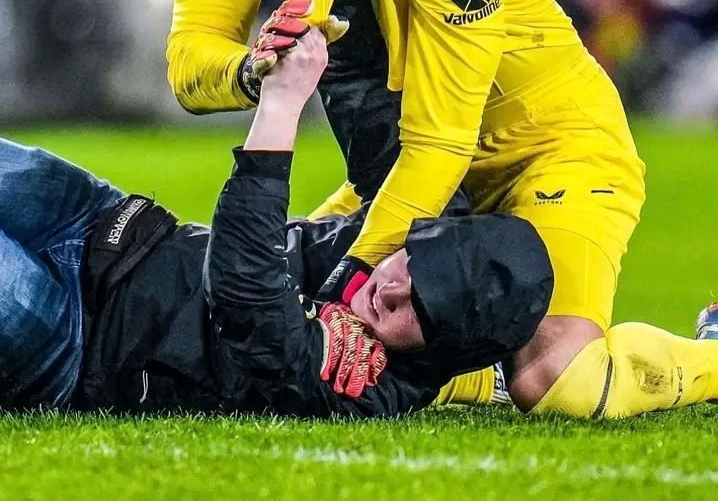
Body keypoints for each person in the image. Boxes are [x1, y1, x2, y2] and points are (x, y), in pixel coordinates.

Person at [167, 0, 718, 419]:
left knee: (560, 381)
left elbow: (442, 144)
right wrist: (254, 71)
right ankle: (477, 372)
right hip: (401, 169)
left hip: (548, 150)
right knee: (233, 315)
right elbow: (188, 62)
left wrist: (345, 290)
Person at [0, 28, 552, 416]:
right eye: (414, 266)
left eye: (420, 310)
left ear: (444, 350)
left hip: (76, 342)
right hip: (109, 224)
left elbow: (245, 292)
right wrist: (327, 19)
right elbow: (370, 105)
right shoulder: (418, 220)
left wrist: (282, 105)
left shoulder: (367, 389)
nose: (391, 291)